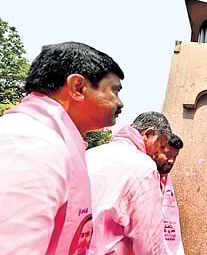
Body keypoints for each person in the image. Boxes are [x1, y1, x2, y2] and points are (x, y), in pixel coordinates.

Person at [0, 42, 124, 255]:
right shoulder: (30, 142)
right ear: (78, 87)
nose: (120, 103)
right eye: (114, 91)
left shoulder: (53, 139)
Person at [87, 111, 184, 255]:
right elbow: (150, 244)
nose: (158, 153)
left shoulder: (90, 155)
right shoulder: (143, 167)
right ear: (148, 135)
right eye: (161, 145)